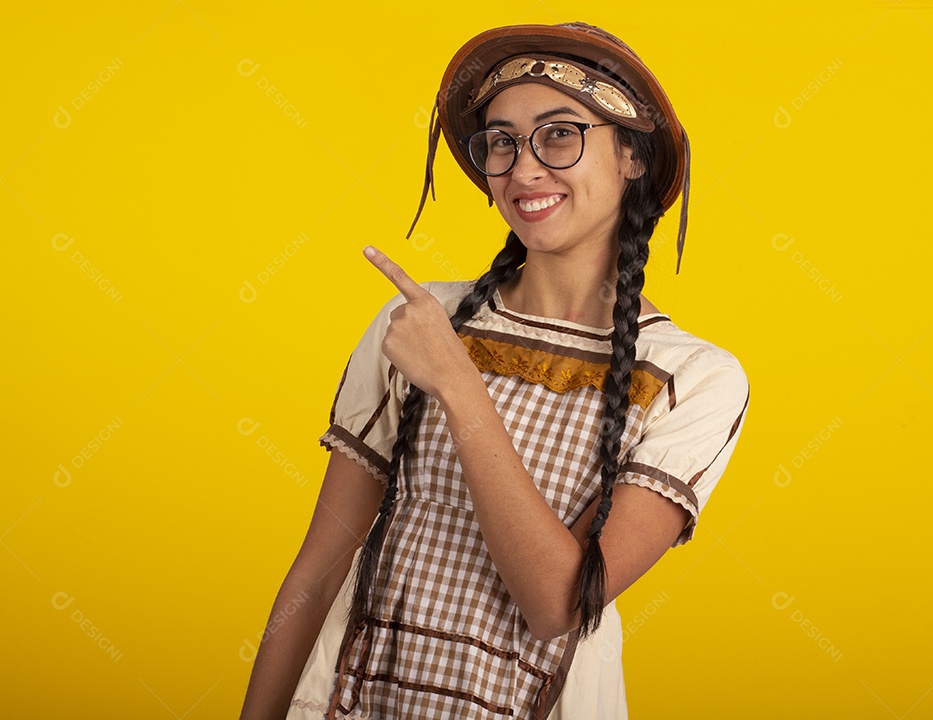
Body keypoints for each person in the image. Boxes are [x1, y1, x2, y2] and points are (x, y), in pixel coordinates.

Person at [239, 21, 750, 720]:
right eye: (501, 142)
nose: (523, 168)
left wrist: (459, 386)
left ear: (632, 155)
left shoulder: (694, 379)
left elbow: (556, 605)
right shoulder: (421, 324)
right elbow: (319, 566)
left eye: (559, 133)